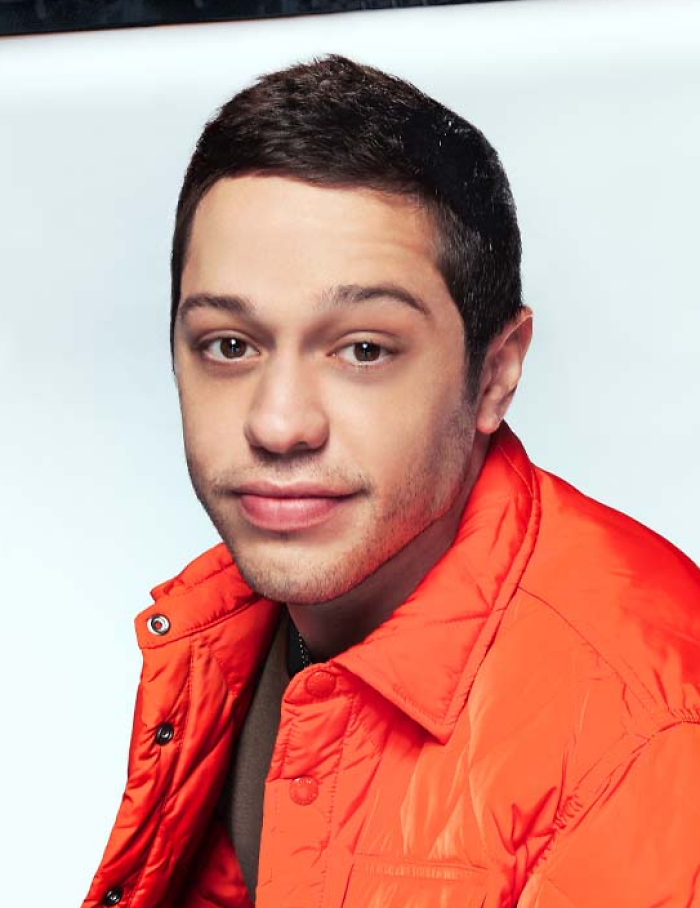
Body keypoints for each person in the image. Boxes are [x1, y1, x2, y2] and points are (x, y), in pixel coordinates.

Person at [83, 55, 700, 908]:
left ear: (494, 374)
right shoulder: (224, 629)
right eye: (230, 344)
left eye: (364, 349)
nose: (278, 422)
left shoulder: (646, 734)